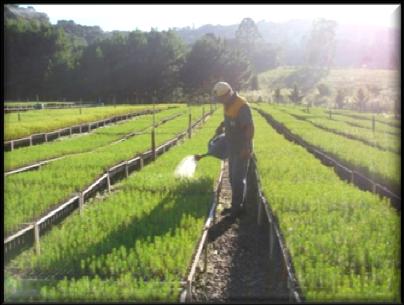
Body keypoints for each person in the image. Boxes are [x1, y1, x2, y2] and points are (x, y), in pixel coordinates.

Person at [212, 81, 254, 218]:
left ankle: (237, 209)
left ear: (228, 94)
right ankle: (235, 205)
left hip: (242, 147)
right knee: (231, 177)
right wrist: (222, 125)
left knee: (238, 178)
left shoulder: (241, 106)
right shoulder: (228, 104)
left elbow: (249, 127)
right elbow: (231, 119)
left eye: (221, 99)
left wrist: (247, 147)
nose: (220, 102)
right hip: (232, 146)